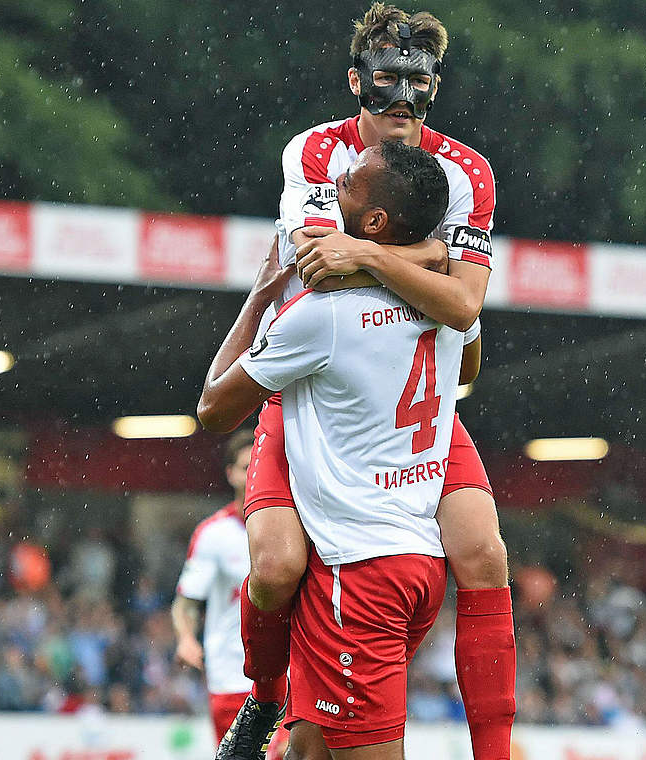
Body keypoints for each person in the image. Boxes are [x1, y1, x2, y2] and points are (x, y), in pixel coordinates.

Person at [211, 5, 514, 759]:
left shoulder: (467, 169)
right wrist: (428, 264)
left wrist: (373, 258)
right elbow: (321, 261)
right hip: (319, 383)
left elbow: (463, 302)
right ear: (356, 82)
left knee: (483, 554)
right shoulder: (318, 153)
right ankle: (263, 698)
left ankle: (496, 752)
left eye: (422, 85)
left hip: (416, 397)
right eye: (388, 83)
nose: (405, 103)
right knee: (277, 569)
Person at [200, 140, 472, 759]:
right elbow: (469, 357)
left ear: (373, 224)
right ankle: (267, 705)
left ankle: (262, 696)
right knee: (307, 754)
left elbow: (215, 408)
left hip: (359, 572)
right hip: (418, 563)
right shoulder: (448, 302)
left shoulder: (323, 314)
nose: (335, 182)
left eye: (350, 183)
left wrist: (258, 299)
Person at [172, 431, 289, 756]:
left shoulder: (291, 528)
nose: (253, 472)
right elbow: (187, 601)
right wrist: (185, 638)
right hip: (232, 676)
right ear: (230, 474)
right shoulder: (213, 534)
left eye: (259, 464)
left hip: (287, 674)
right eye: (245, 466)